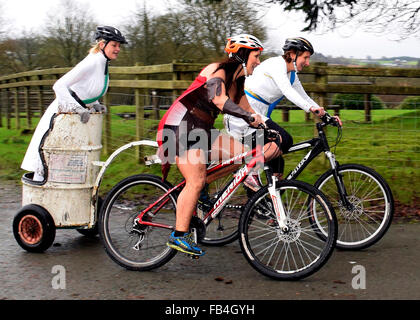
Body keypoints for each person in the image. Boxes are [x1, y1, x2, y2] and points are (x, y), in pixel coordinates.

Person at [156, 34, 268, 257]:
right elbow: (219, 100)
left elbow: (250, 111)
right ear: (243, 54)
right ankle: (179, 235)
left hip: (202, 130)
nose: (258, 61)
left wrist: (270, 127)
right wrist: (248, 118)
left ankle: (198, 188)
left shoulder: (237, 81)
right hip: (182, 126)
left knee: (244, 156)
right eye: (256, 56)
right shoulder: (218, 71)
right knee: (195, 180)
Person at [224, 36, 342, 190]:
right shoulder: (276, 65)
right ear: (292, 54)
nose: (307, 63)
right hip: (244, 115)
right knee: (284, 140)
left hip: (258, 115)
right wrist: (311, 109)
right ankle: (250, 172)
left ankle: (265, 204)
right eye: (305, 58)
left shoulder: (291, 74)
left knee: (277, 165)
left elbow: (304, 96)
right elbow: (287, 91)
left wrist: (325, 115)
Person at [21, 26, 127, 182]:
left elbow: (85, 88)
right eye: (114, 45)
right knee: (48, 157)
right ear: (102, 44)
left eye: (119, 46)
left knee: (65, 160)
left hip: (73, 118)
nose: (118, 49)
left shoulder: (102, 62)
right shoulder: (92, 62)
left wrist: (95, 103)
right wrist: (76, 108)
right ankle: (38, 196)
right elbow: (59, 85)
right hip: (60, 117)